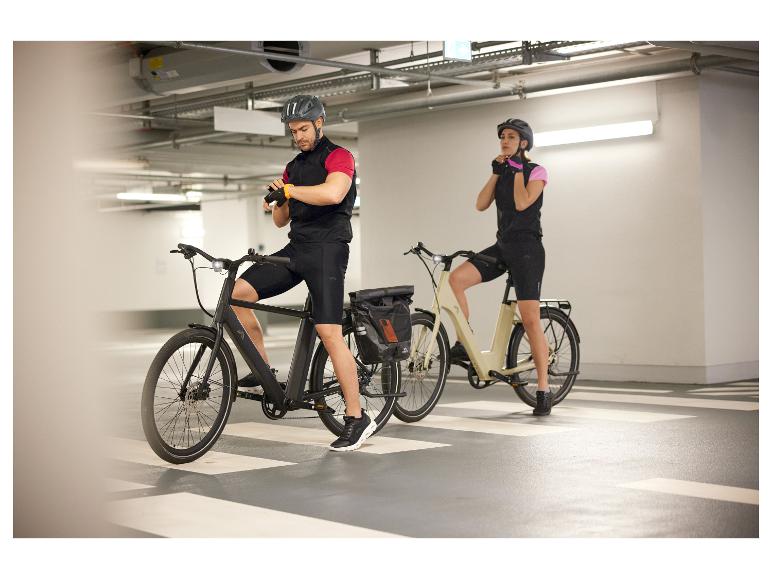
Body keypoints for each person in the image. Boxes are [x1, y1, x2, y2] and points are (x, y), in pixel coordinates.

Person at [231, 94, 376, 450]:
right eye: (294, 131)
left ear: (319, 123)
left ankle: (357, 417)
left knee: (329, 332)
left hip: (328, 250)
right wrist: (278, 200)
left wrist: (291, 190)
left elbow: (333, 194)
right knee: (237, 294)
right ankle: (264, 370)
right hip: (297, 249)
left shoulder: (339, 156)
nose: (298, 136)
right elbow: (281, 221)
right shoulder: (292, 167)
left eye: (303, 129)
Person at [447, 118, 553, 415]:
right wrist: (496, 173)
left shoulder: (537, 171)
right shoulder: (502, 171)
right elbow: (481, 204)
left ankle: (543, 388)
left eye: (511, 137)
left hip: (528, 249)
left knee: (530, 319)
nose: (504, 141)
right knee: (456, 279)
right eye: (502, 137)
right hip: (503, 246)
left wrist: (517, 170)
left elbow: (522, 203)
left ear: (523, 142)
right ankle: (463, 343)